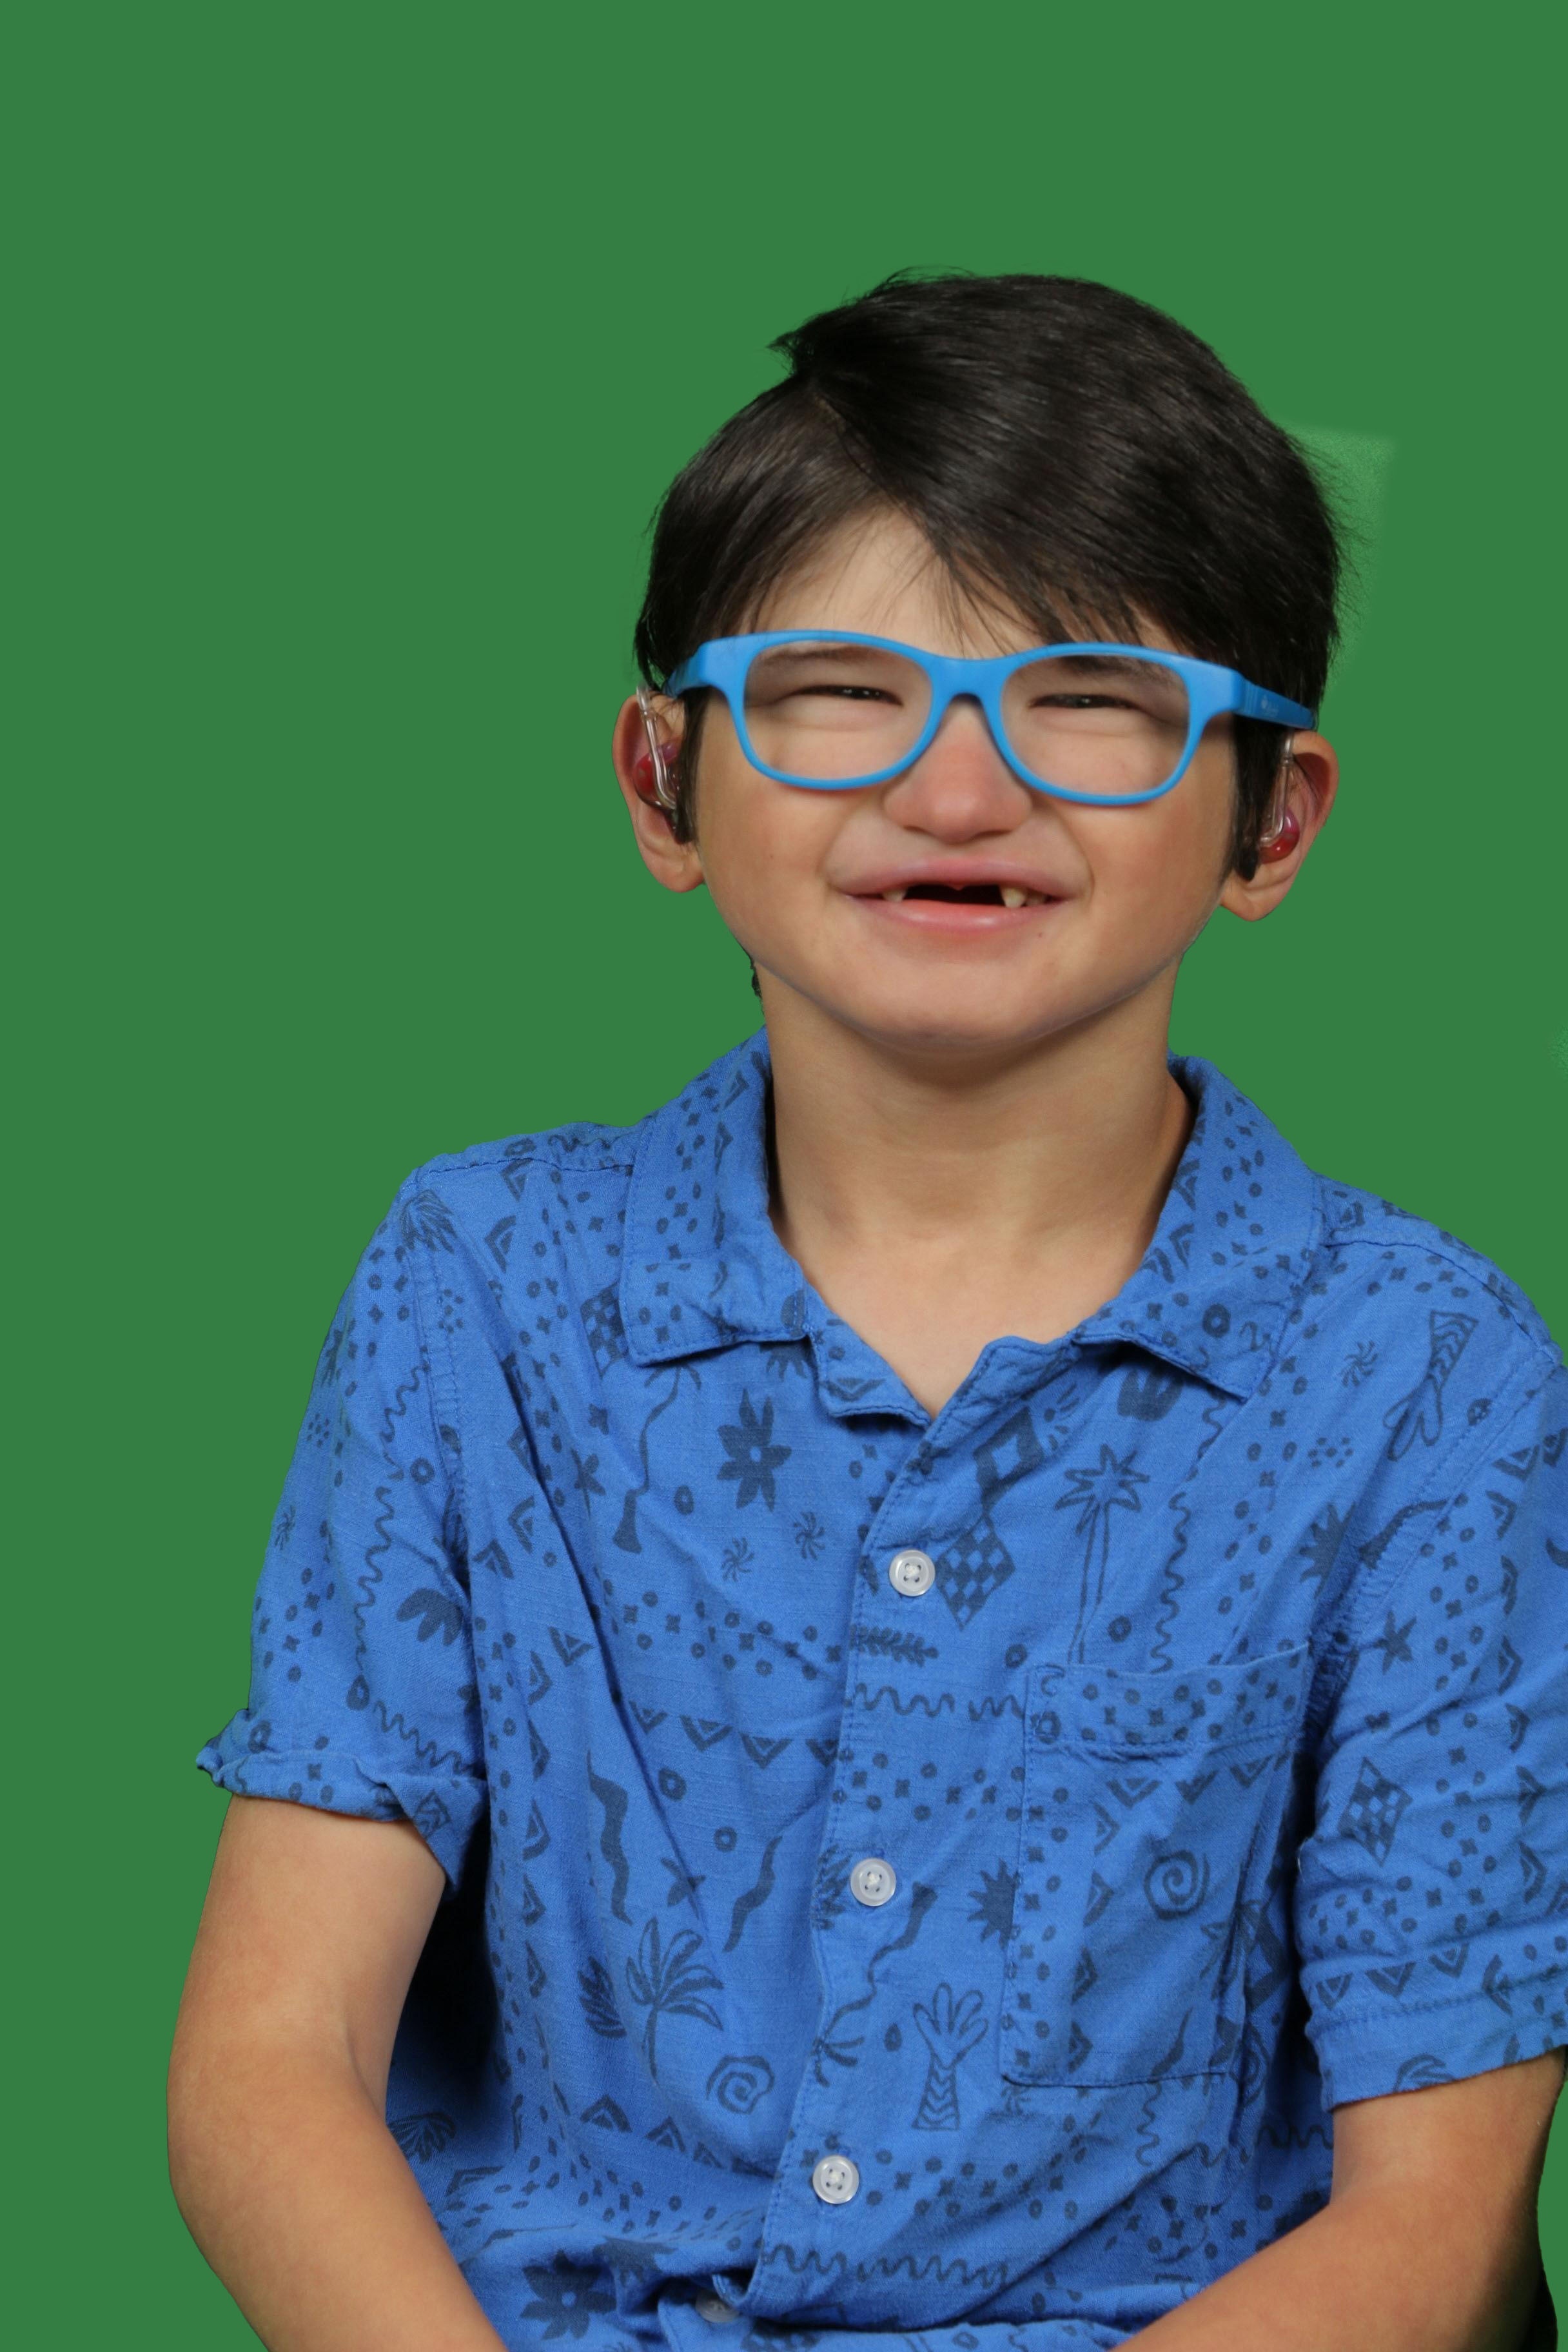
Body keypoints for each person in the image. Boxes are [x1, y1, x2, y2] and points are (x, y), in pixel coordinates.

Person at [168, 273, 1567, 2352]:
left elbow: (1435, 2232)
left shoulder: (1424, 1373)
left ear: (1273, 817)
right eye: (837, 688)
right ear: (663, 783)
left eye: (1090, 698)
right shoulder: (481, 1283)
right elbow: (268, 2064)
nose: (958, 789)